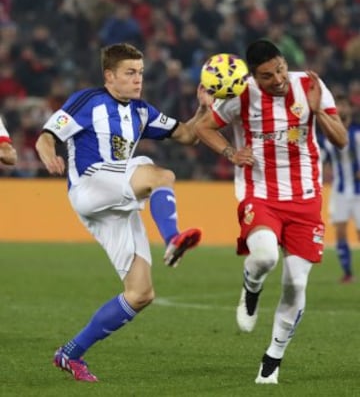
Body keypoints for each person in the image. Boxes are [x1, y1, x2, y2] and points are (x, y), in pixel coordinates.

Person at [35, 42, 203, 382]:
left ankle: (70, 354)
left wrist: (204, 107)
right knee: (161, 175)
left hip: (114, 202)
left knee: (141, 294)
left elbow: (187, 135)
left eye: (140, 73)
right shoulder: (88, 101)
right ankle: (172, 238)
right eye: (130, 73)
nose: (137, 79)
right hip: (89, 185)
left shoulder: (142, 111)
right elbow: (47, 136)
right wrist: (48, 154)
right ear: (109, 75)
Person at [194, 39, 348, 384]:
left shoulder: (309, 85)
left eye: (279, 69)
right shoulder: (240, 94)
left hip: (306, 198)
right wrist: (231, 153)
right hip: (260, 193)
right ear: (253, 76)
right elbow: (203, 128)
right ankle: (251, 288)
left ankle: (272, 360)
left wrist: (317, 110)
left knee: (295, 283)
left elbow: (340, 140)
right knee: (264, 257)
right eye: (267, 75)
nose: (277, 79)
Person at [320, 94, 360, 283]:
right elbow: (320, 159)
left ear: (350, 109)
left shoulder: (358, 134)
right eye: (338, 106)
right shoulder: (328, 139)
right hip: (340, 191)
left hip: (359, 193)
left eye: (344, 106)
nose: (341, 110)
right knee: (341, 232)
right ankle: (348, 273)